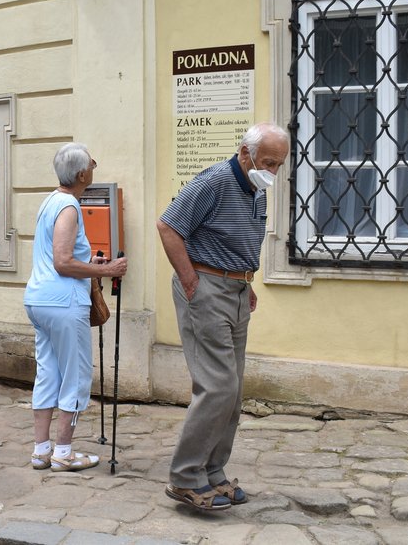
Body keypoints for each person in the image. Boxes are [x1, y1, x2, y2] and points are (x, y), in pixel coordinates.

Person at [156, 122, 289, 511]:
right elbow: (168, 226)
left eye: (279, 164)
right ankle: (184, 478)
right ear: (245, 153)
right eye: (268, 162)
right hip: (206, 287)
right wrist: (190, 281)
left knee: (232, 390)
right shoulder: (213, 181)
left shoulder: (256, 190)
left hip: (234, 290)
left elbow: (239, 241)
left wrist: (245, 283)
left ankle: (212, 473)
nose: (273, 171)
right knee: (216, 386)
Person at [24, 143, 128, 472]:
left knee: (48, 372)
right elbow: (63, 262)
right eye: (92, 167)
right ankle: (64, 452)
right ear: (82, 174)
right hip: (64, 301)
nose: (94, 171)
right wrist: (105, 270)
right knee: (77, 375)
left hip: (39, 299)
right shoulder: (69, 205)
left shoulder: (50, 202)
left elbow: (61, 256)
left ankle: (42, 450)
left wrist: (89, 263)